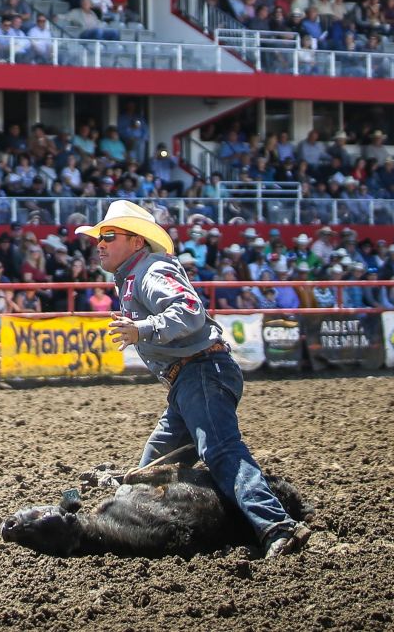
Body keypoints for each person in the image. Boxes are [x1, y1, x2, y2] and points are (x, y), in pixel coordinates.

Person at [76, 200, 309, 559]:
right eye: (98, 237)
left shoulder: (150, 271)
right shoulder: (139, 274)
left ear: (137, 242)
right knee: (150, 467)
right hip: (192, 379)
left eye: (109, 235)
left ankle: (276, 526)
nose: (100, 243)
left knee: (220, 450)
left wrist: (142, 328)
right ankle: (134, 528)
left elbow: (189, 312)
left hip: (199, 372)